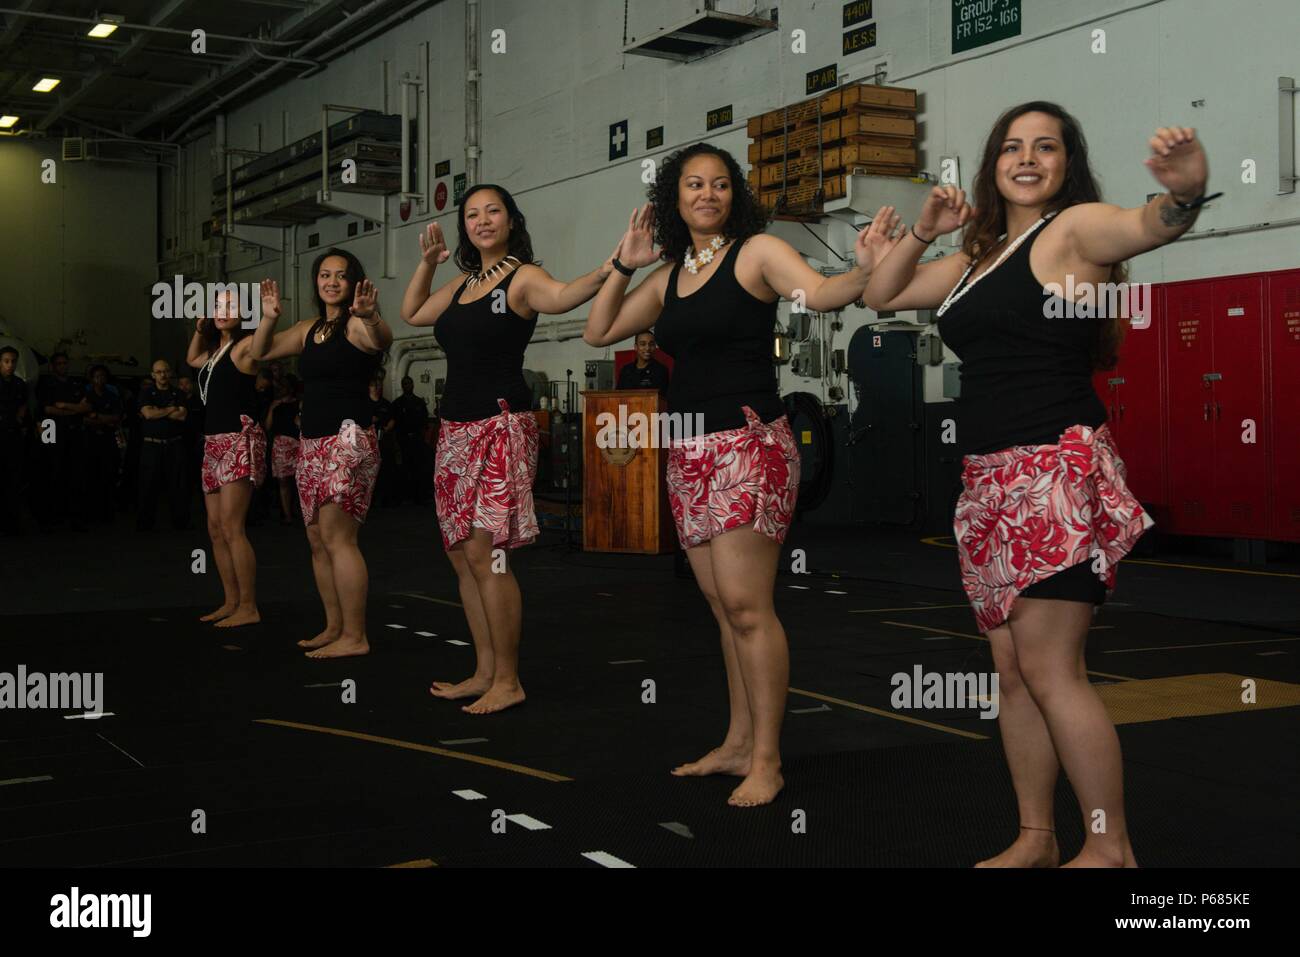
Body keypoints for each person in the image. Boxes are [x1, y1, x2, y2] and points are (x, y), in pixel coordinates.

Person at [863, 103, 1205, 867]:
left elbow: (1146, 226)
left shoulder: (1073, 228)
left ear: (1066, 162)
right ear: (991, 167)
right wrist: (922, 229)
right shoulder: (979, 258)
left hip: (1049, 468)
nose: (1026, 158)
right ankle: (1036, 836)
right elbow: (881, 295)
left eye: (1044, 147)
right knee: (1012, 673)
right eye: (1012, 147)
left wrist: (1182, 194)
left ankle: (1110, 846)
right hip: (987, 480)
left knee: (1054, 670)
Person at [583, 144, 888, 806]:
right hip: (689, 451)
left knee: (749, 606)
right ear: (676, 197)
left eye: (720, 184)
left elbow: (821, 292)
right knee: (722, 608)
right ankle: (738, 740)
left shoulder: (756, 252)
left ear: (734, 195)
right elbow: (597, 329)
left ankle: (769, 759)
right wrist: (621, 264)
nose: (708, 194)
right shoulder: (667, 274)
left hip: (749, 444)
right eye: (694, 184)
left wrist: (867, 271)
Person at [401, 183, 613, 714]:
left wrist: (613, 268)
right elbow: (412, 313)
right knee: (460, 554)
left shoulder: (523, 275)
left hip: (500, 425)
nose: (482, 220)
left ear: (511, 220)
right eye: (472, 214)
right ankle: (484, 670)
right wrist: (427, 263)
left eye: (492, 211)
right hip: (453, 430)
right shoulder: (464, 282)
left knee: (488, 555)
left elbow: (563, 297)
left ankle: (509, 680)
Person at [251, 249, 392, 658]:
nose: (331, 282)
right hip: (311, 444)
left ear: (354, 283)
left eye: (341, 276)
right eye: (324, 275)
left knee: (338, 537)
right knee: (316, 539)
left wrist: (368, 315)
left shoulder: (356, 326)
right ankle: (335, 627)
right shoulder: (308, 328)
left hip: (347, 441)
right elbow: (260, 352)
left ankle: (356, 635)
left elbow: (382, 340)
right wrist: (269, 317)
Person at [187, 290, 266, 627]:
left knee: (233, 527)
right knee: (215, 528)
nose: (223, 311)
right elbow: (192, 359)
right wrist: (200, 328)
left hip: (236, 439)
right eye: (218, 306)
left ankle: (249, 605)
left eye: (231, 306)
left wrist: (269, 315)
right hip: (213, 442)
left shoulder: (245, 348)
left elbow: (263, 343)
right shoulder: (215, 352)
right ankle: (230, 600)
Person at [34, 352, 91, 531]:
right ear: (52, 366)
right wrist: (74, 410)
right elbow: (48, 409)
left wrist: (65, 406)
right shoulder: (45, 385)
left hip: (73, 433)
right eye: (59, 364)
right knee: (52, 472)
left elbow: (86, 406)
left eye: (65, 363)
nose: (62, 366)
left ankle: (73, 515)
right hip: (51, 431)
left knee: (75, 474)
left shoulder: (76, 383)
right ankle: (52, 515)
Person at [135, 359, 190, 531]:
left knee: (177, 486)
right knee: (148, 485)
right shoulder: (146, 392)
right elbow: (148, 414)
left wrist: (158, 410)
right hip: (152, 446)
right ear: (153, 375)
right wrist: (169, 410)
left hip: (174, 446)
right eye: (159, 372)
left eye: (165, 371)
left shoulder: (178, 393)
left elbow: (181, 416)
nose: (163, 375)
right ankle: (145, 524)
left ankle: (180, 523)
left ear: (170, 373)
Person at [83, 365, 122, 523]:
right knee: (91, 476)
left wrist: (97, 417)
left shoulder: (111, 396)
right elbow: (84, 418)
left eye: (103, 376)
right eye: (97, 376)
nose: (100, 379)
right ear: (92, 379)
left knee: (109, 475)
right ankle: (92, 512)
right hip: (90, 441)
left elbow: (116, 418)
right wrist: (101, 420)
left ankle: (108, 512)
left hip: (108, 440)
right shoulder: (87, 395)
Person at [0, 345, 29, 536]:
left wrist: (19, 419)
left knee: (13, 480)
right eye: (6, 361)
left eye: (13, 361)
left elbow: (24, 404)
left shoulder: (19, 384)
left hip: (13, 436)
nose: (10, 365)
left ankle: (12, 524)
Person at [266, 374, 302, 525]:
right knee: (283, 481)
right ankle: (287, 514)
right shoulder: (275, 404)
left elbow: (302, 425)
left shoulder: (298, 403)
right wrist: (272, 409)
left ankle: (299, 512)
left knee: (298, 480)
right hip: (280, 444)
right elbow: (268, 427)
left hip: (296, 443)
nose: (281, 389)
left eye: (284, 386)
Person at [391, 375, 430, 504]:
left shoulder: (419, 402)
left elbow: (425, 422)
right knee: (405, 468)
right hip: (403, 440)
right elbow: (394, 424)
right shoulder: (397, 403)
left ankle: (420, 496)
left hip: (417, 439)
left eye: (409, 383)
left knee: (419, 467)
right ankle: (406, 496)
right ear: (402, 386)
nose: (408, 386)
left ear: (413, 385)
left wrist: (424, 438)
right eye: (405, 384)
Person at [367, 373, 398, 507]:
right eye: (375, 386)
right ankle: (370, 500)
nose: (378, 388)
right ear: (369, 387)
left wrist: (389, 426)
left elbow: (393, 419)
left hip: (384, 441)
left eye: (379, 385)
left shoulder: (386, 404)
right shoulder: (364, 404)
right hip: (368, 443)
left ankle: (386, 499)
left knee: (386, 470)